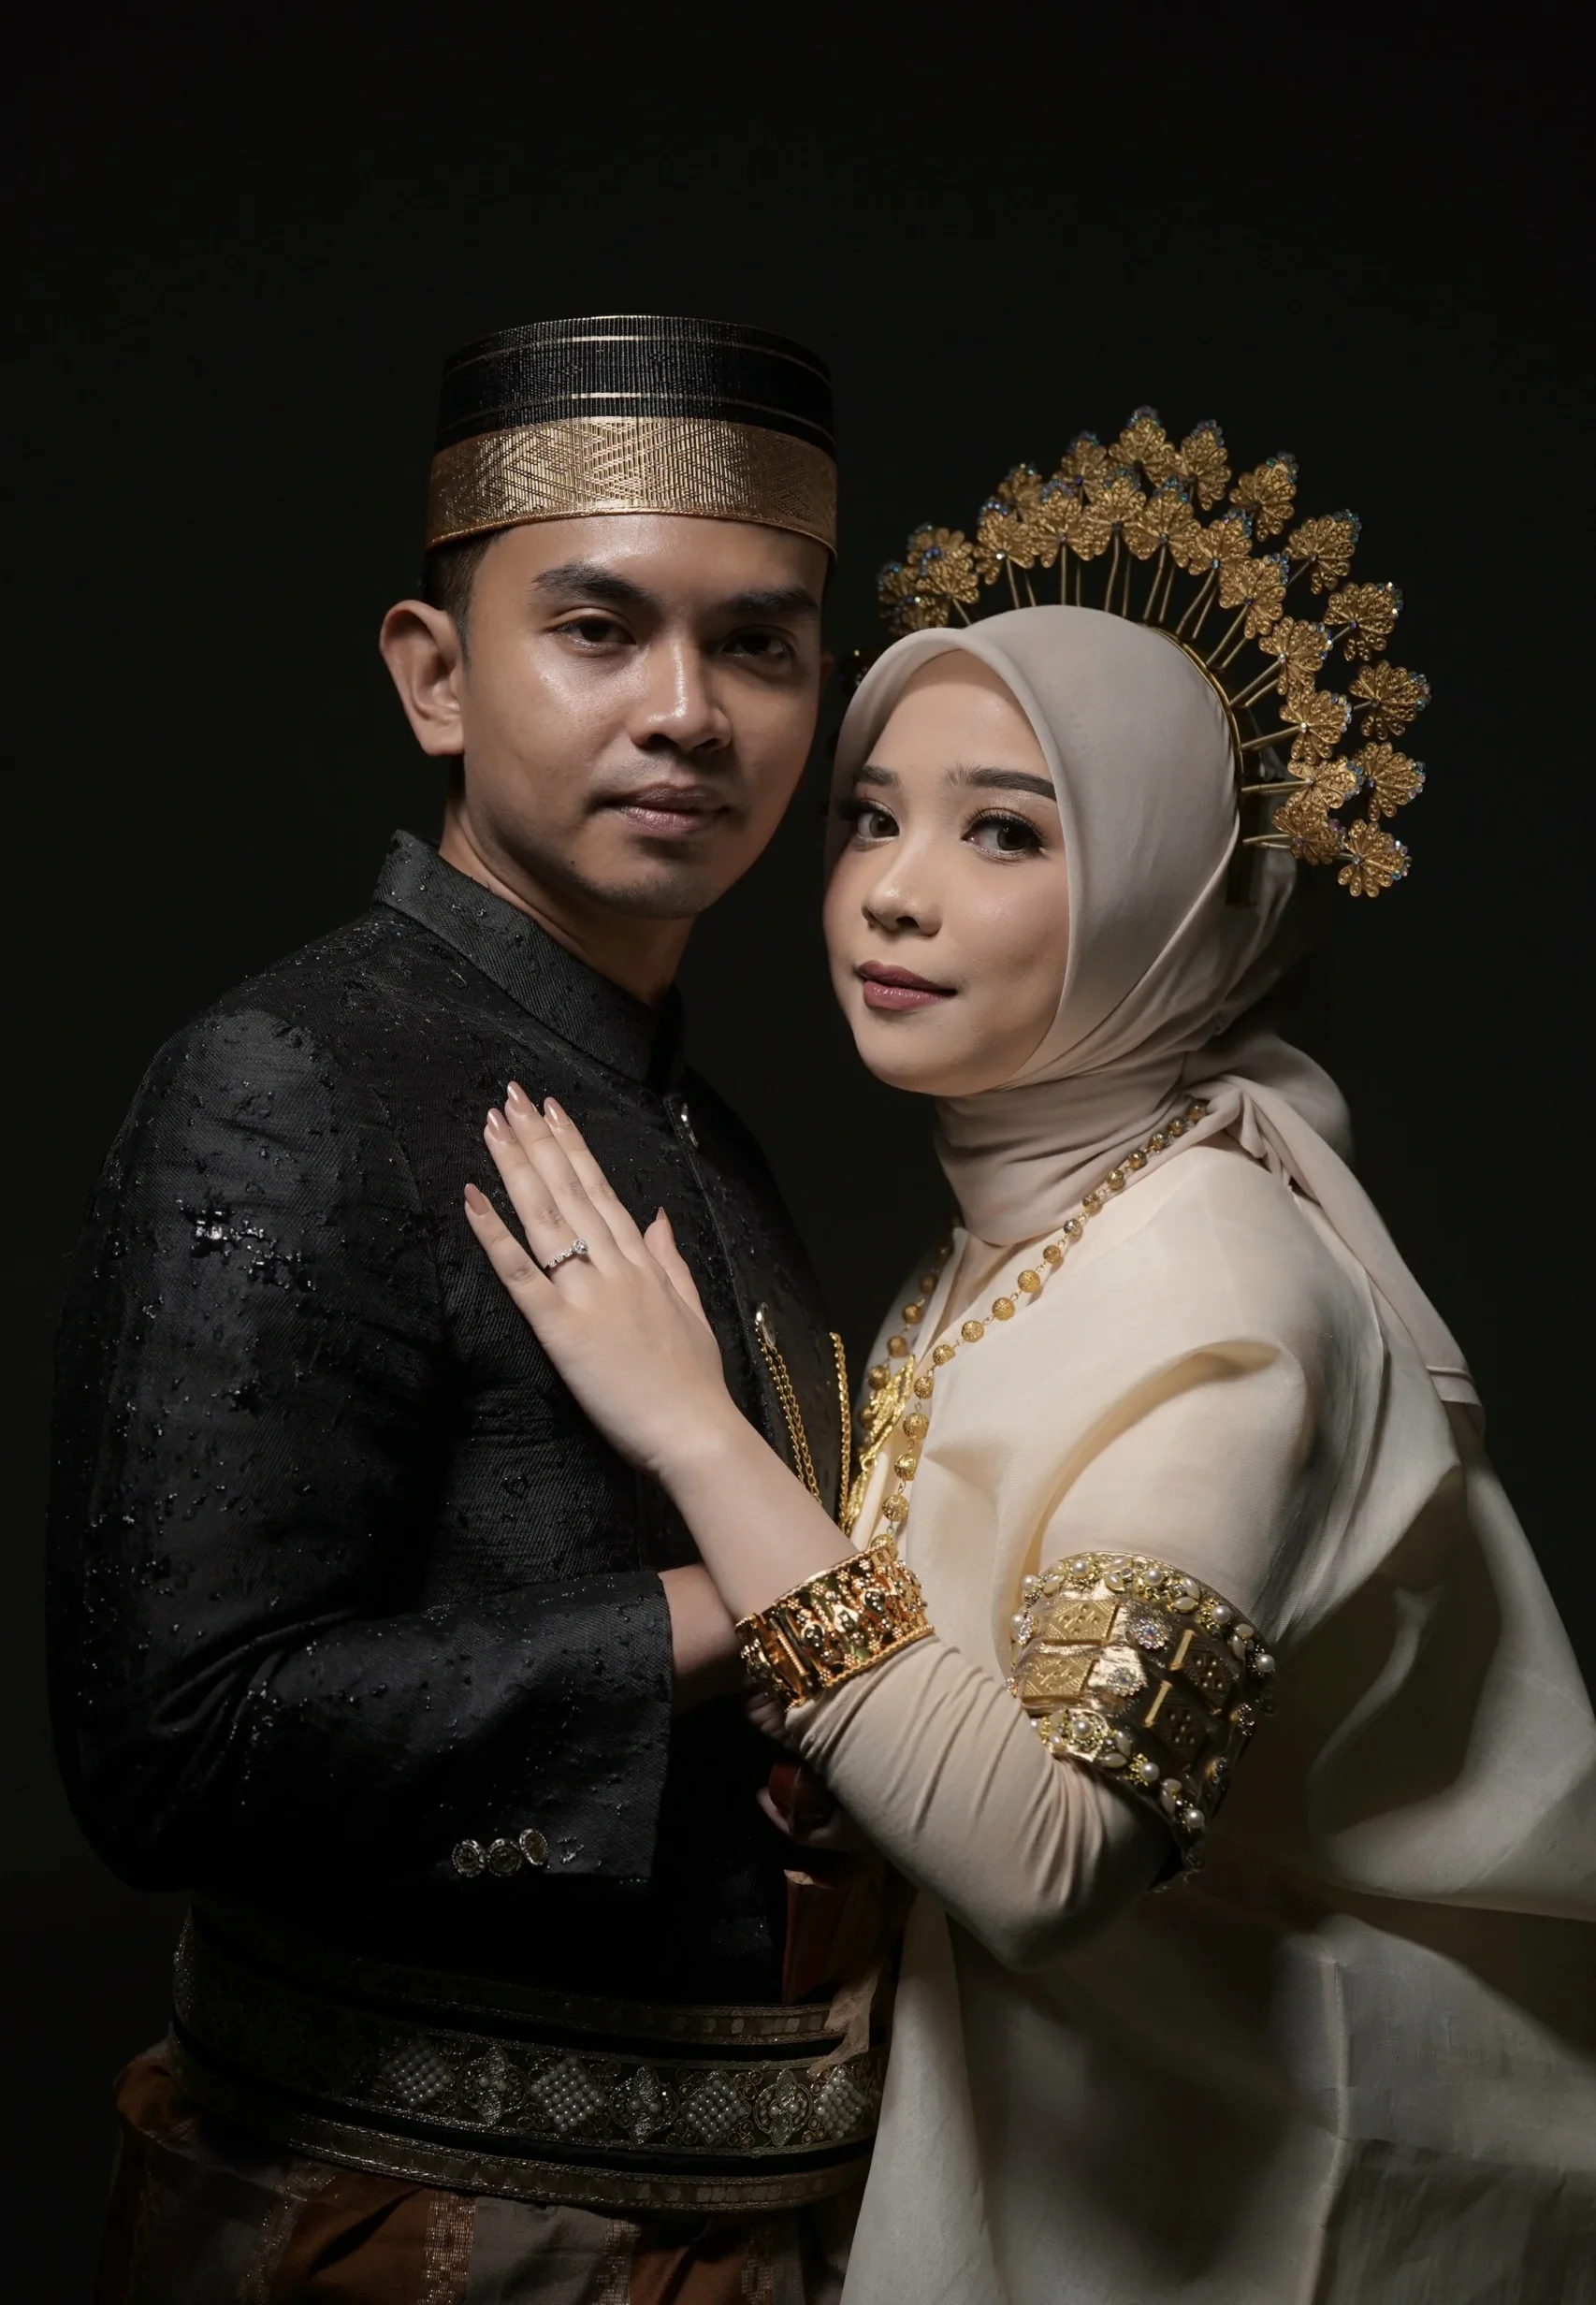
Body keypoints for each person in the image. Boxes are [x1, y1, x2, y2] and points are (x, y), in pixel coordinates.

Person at [464, 411, 1596, 2303]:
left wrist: (690, 1430)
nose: (893, 891)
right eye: (871, 815)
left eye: (1005, 829)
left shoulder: (1218, 1289)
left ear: (1171, 890)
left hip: (1243, 2189)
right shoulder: (1021, 1230)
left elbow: (1051, 1858)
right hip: (1078, 2148)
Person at [50, 313, 876, 2300]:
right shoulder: (294, 1075)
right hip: (401, 2235)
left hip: (732, 2232)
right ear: (437, 675)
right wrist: (743, 1603)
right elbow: (173, 1748)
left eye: (757, 646)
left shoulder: (697, 1117)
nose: (687, 711)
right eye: (598, 631)